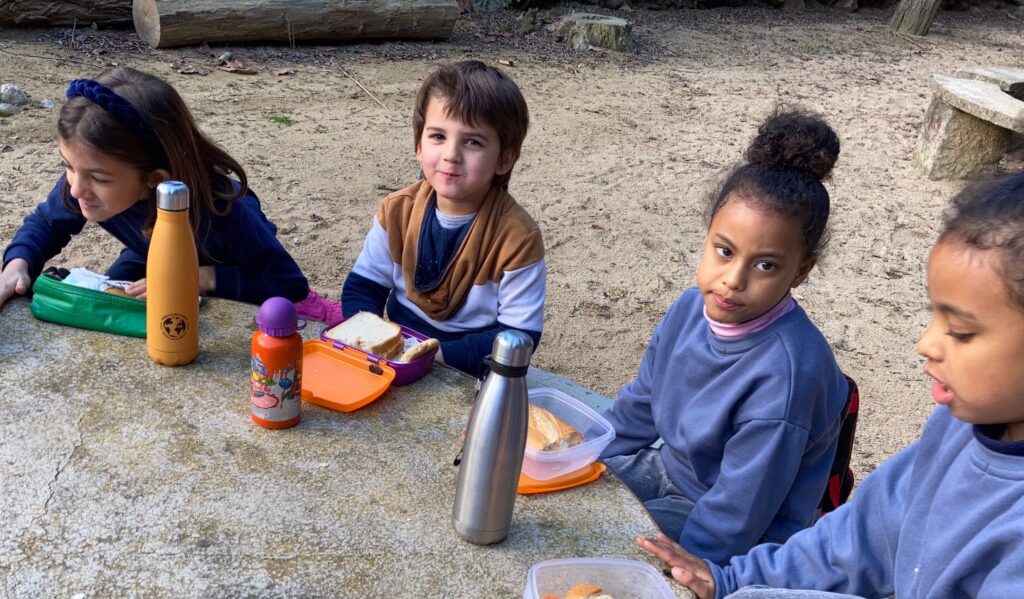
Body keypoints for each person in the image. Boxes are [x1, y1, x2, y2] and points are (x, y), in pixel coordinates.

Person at [638, 172, 1024, 599]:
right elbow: (859, 539)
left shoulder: (787, 374)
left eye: (962, 332)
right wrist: (730, 580)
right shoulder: (954, 428)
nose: (926, 344)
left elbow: (740, 509)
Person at [600, 109, 849, 565]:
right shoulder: (687, 309)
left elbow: (738, 513)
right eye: (724, 251)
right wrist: (582, 458)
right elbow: (640, 406)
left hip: (738, 528)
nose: (733, 279)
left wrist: (690, 569)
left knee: (610, 552)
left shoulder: (787, 376)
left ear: (801, 271)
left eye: (766, 265)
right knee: (563, 499)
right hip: (668, 470)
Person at [0, 66, 340, 321]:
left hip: (232, 271)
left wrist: (199, 278)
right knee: (112, 299)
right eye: (69, 166)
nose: (75, 188)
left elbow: (288, 283)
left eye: (98, 178)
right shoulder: (86, 176)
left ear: (153, 179)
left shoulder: (223, 209)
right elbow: (47, 223)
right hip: (150, 253)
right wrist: (18, 265)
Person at [341, 60, 545, 375]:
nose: (451, 154)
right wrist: (371, 340)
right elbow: (362, 287)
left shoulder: (518, 238)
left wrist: (436, 356)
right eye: (438, 136)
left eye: (472, 141)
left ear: (504, 159)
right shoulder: (396, 211)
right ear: (418, 146)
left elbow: (520, 335)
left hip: (470, 367)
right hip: (395, 355)